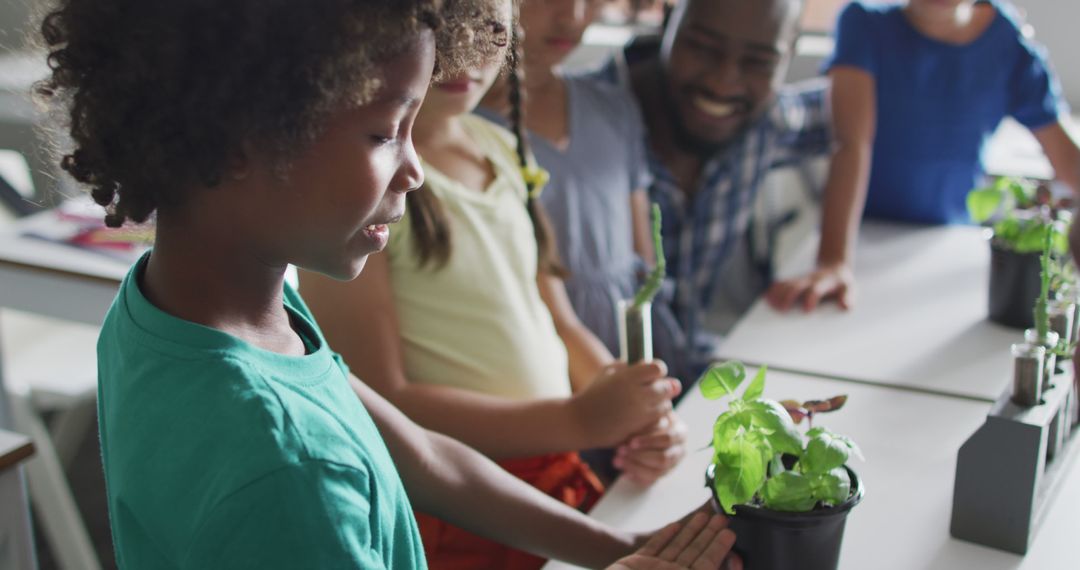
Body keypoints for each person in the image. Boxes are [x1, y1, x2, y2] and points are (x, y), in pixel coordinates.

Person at [35, 0, 738, 567]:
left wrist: (618, 548)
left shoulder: (193, 305)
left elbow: (427, 457)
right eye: (384, 133)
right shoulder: (288, 472)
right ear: (243, 136)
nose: (415, 170)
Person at [299, 3, 688, 566]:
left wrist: (635, 415)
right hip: (460, 507)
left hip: (558, 479)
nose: (469, 51)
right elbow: (386, 401)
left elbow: (559, 319)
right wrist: (579, 420)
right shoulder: (360, 194)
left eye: (491, 29)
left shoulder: (504, 149)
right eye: (444, 27)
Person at [475, 0, 691, 481]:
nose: (573, 14)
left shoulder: (612, 106)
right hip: (552, 374)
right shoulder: (465, 133)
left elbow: (643, 258)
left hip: (637, 346)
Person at [767, 0, 1080, 313]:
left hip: (949, 241)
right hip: (864, 240)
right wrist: (833, 261)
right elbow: (850, 143)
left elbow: (1065, 154)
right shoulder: (863, 23)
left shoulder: (1008, 40)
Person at [593, 0, 831, 376]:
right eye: (703, 48)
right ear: (668, 23)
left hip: (691, 373)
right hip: (588, 393)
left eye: (758, 62)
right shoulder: (577, 126)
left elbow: (863, 111)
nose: (723, 82)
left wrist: (835, 258)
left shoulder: (765, 122)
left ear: (788, 55)